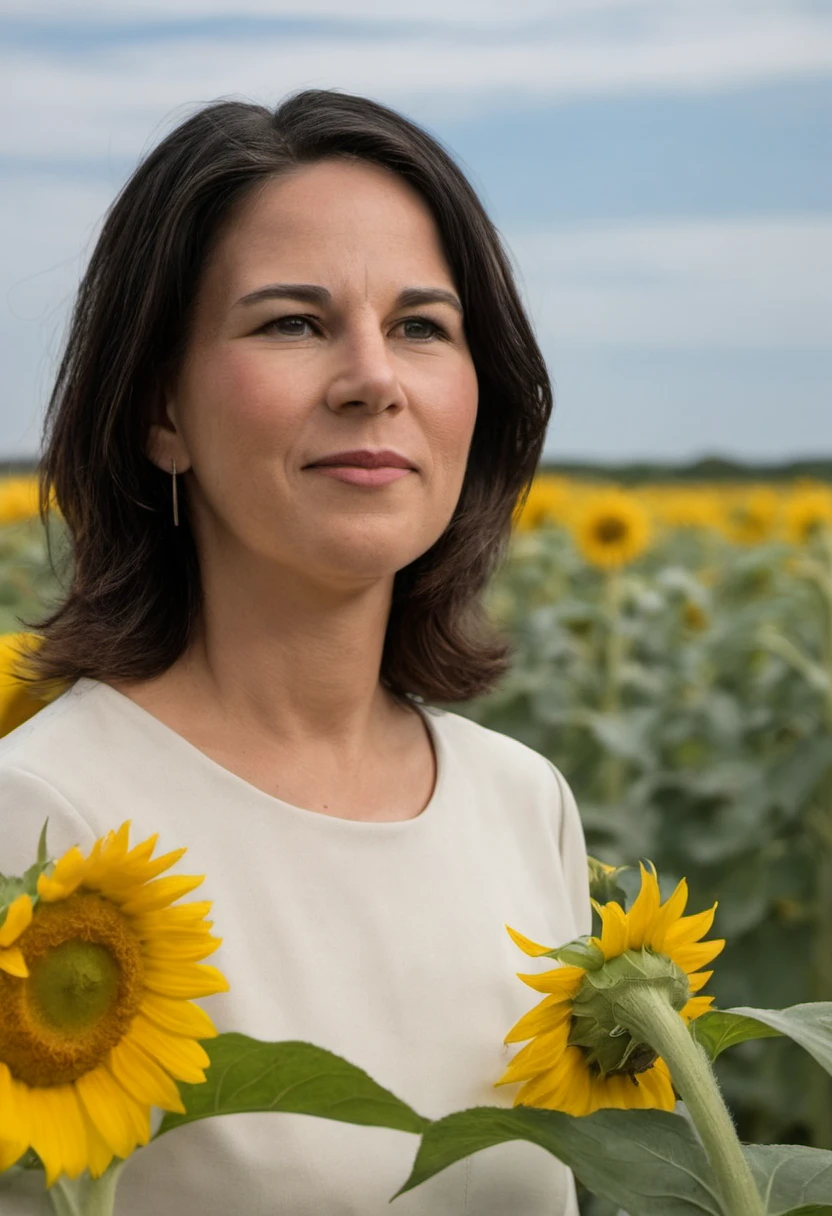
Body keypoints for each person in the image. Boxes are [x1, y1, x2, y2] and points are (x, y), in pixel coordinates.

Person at [0, 90, 591, 1215]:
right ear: (158, 409)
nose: (374, 377)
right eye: (293, 323)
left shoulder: (523, 803)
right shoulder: (42, 817)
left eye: (422, 326)